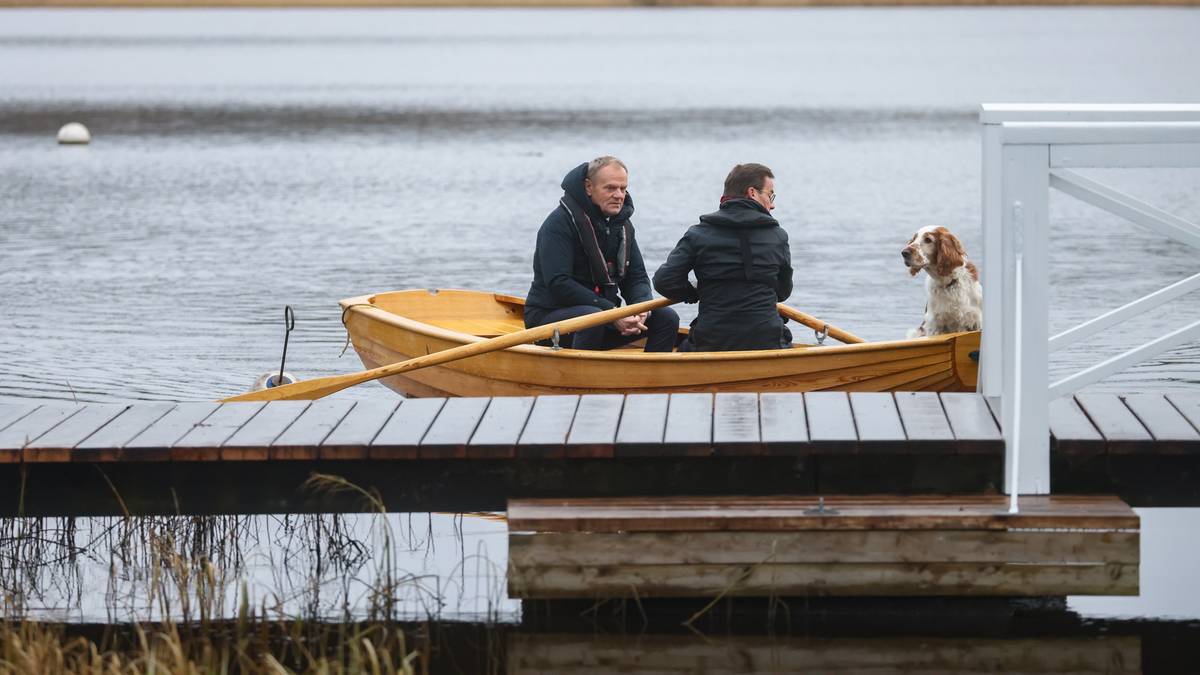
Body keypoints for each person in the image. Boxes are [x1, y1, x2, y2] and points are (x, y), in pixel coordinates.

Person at [524, 157, 680, 351]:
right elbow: (559, 283)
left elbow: (636, 278)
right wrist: (611, 313)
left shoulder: (622, 226)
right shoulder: (558, 225)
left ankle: (654, 378)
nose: (619, 195)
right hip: (549, 321)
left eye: (623, 189)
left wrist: (640, 308)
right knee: (593, 319)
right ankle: (580, 378)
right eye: (610, 188)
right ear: (589, 187)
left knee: (666, 317)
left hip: (603, 315)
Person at [653, 163, 793, 351]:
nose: (773, 204)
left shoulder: (698, 234)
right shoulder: (778, 236)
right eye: (770, 195)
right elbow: (783, 292)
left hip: (711, 341)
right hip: (766, 340)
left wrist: (694, 293)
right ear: (752, 193)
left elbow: (664, 281)